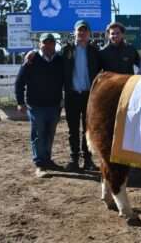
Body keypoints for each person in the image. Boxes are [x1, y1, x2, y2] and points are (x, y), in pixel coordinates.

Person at [15, 33, 64, 178]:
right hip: (36, 105)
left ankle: (47, 160)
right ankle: (39, 164)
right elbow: (19, 82)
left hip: (54, 105)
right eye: (45, 43)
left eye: (51, 43)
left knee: (50, 134)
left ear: (55, 44)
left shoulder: (60, 60)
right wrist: (20, 102)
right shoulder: (31, 59)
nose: (48, 45)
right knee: (38, 135)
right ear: (39, 44)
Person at [61, 20, 101, 171]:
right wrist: (32, 53)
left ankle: (88, 160)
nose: (82, 33)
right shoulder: (66, 50)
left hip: (89, 97)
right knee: (72, 130)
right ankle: (73, 160)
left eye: (84, 31)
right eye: (79, 31)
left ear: (89, 34)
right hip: (71, 96)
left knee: (88, 130)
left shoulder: (95, 51)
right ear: (75, 32)